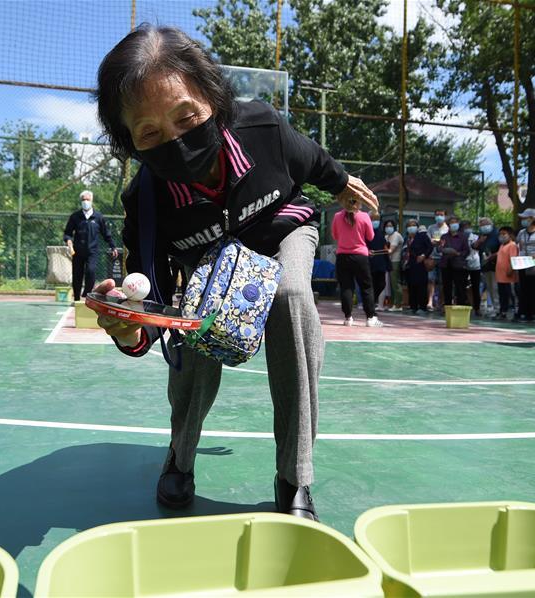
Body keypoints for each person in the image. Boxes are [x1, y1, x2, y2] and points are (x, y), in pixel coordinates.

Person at [90, 26, 379, 521]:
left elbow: (310, 159)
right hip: (206, 265)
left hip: (284, 232)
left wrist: (341, 183)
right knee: (195, 329)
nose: (176, 141)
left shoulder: (261, 127)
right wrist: (128, 327)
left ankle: (295, 476)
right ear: (130, 144)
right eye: (150, 133)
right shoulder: (146, 201)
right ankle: (180, 458)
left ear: (213, 99)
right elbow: (149, 298)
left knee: (289, 296)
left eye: (187, 117)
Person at [333, 203, 383, 327]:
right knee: (366, 287)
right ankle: (370, 318)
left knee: (346, 287)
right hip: (360, 256)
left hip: (342, 255)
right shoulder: (364, 216)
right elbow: (370, 237)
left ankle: (348, 317)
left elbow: (335, 236)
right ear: (358, 203)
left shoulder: (337, 216)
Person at [63, 190, 119, 301]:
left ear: (91, 201)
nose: (85, 201)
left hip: (92, 251)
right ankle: (77, 299)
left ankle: (87, 295)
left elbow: (106, 233)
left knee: (91, 271)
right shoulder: (75, 217)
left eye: (87, 199)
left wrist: (113, 246)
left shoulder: (98, 217)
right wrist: (68, 241)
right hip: (77, 251)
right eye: (83, 199)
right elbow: (67, 233)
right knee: (77, 275)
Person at [400, 218, 433, 313]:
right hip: (409, 265)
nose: (411, 227)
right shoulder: (406, 238)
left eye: (413, 225)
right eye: (409, 225)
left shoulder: (422, 236)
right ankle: (413, 306)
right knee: (411, 285)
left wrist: (423, 255)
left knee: (421, 285)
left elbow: (430, 247)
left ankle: (422, 307)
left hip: (420, 264)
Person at [439, 216, 470, 306]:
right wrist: (442, 249)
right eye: (451, 222)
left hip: (459, 265)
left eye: (455, 222)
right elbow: (440, 248)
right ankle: (447, 305)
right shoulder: (444, 236)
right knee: (446, 287)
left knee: (460, 287)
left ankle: (460, 306)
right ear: (448, 225)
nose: (453, 224)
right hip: (446, 264)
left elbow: (466, 250)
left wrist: (458, 254)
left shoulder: (463, 237)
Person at [475, 217, 500, 314]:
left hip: (496, 266)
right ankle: (494, 307)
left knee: (495, 287)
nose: (483, 226)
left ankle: (498, 308)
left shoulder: (497, 234)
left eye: (485, 224)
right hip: (485, 266)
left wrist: (492, 256)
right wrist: (480, 241)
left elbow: (502, 249)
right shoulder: (482, 236)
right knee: (489, 288)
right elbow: (475, 246)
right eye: (481, 225)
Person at [368, 213, 391, 309]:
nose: (375, 221)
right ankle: (370, 303)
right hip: (370, 262)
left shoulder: (380, 232)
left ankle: (372, 300)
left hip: (381, 262)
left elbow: (384, 245)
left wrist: (387, 248)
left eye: (377, 219)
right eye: (373, 219)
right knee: (371, 283)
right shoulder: (366, 232)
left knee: (382, 284)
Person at [494, 226, 519, 319]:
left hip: (509, 276)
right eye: (500, 234)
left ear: (510, 235)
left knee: (512, 295)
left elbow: (514, 259)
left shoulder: (512, 245)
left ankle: (516, 312)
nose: (501, 236)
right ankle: (503, 312)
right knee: (502, 295)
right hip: (500, 276)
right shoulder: (502, 245)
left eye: (504, 234)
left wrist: (511, 270)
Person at [463, 220, 482, 316]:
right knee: (462, 287)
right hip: (462, 264)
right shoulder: (460, 237)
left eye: (468, 226)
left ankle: (477, 308)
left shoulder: (476, 237)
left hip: (475, 264)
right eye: (465, 227)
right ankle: (464, 306)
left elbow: (477, 247)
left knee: (475, 287)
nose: (467, 228)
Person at [385, 219, 404, 310]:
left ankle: (398, 304)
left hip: (396, 261)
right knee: (390, 284)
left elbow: (391, 249)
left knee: (395, 282)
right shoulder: (387, 236)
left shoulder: (396, 235)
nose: (388, 228)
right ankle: (392, 303)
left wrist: (383, 251)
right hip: (389, 261)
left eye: (390, 226)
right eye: (387, 226)